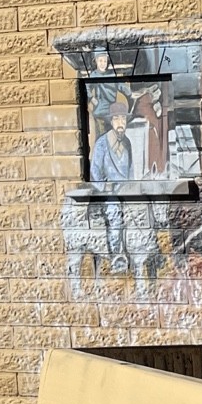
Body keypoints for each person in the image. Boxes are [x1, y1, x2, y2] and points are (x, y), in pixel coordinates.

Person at [89, 101, 133, 272]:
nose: (120, 123)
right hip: (109, 193)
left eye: (123, 119)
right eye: (116, 119)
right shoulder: (102, 143)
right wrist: (104, 188)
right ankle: (116, 257)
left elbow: (131, 171)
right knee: (115, 216)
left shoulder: (127, 143)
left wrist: (133, 188)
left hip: (126, 191)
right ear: (111, 121)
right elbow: (95, 171)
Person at [85, 48, 133, 141]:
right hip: (100, 112)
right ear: (96, 61)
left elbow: (120, 85)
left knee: (112, 137)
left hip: (111, 112)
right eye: (100, 61)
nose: (103, 63)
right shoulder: (94, 75)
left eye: (105, 61)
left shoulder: (111, 75)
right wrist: (93, 99)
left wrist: (130, 93)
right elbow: (86, 88)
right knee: (101, 137)